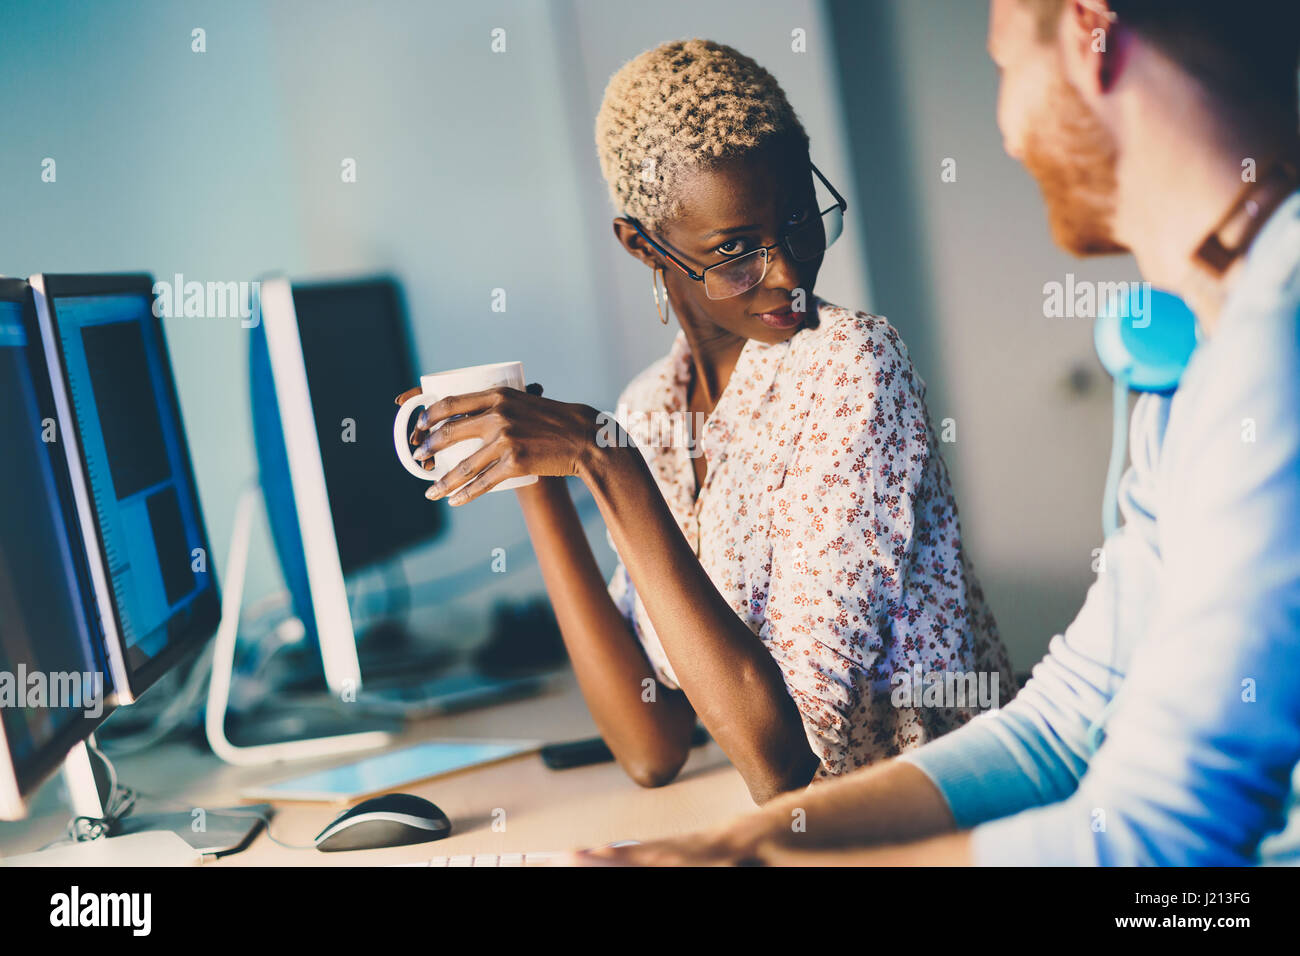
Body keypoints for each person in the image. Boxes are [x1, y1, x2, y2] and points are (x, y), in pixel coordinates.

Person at [575, 0, 1300, 865]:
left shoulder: (1275, 353)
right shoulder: (1216, 357)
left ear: (1088, 30)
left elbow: (1168, 843)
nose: (1004, 130)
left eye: (1001, 64)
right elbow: (1065, 724)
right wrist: (752, 840)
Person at [399, 39, 1013, 804]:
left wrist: (604, 462)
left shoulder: (852, 365)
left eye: (797, 220)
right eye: (735, 250)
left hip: (939, 824)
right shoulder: (651, 409)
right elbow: (650, 745)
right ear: (643, 246)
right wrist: (537, 476)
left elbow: (783, 764)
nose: (787, 270)